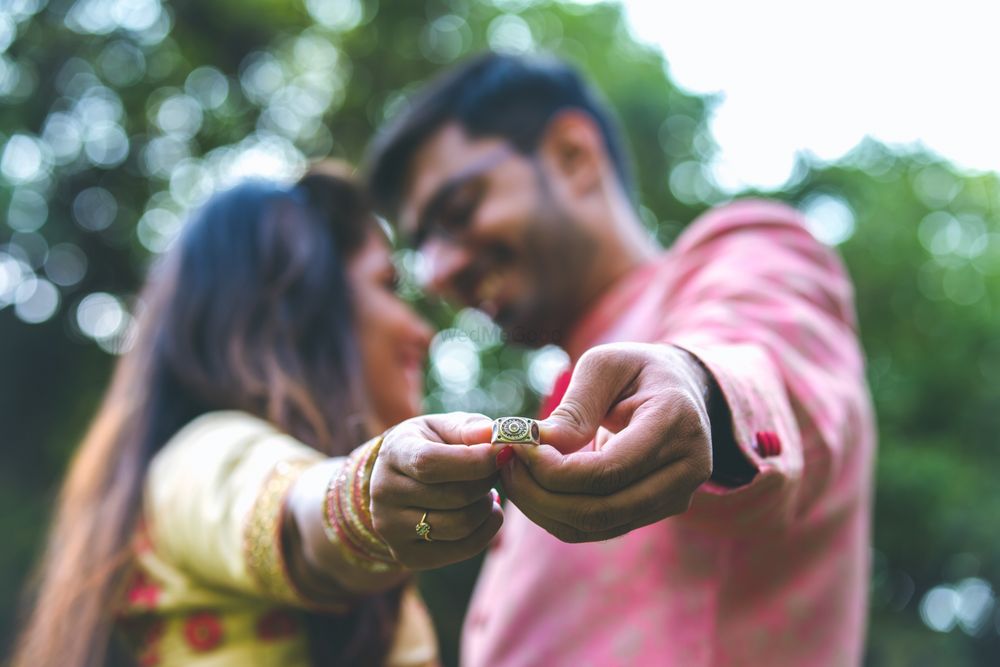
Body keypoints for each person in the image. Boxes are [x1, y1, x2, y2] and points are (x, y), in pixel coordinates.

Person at [366, 53, 876, 666]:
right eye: (423, 247)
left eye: (457, 212)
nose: (441, 271)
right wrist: (416, 526)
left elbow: (765, 356)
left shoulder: (748, 256)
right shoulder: (545, 418)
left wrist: (697, 387)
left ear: (572, 155)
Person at [12, 164, 506, 667]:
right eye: (387, 285)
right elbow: (295, 510)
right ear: (300, 314)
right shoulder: (202, 456)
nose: (422, 331)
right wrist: (361, 502)